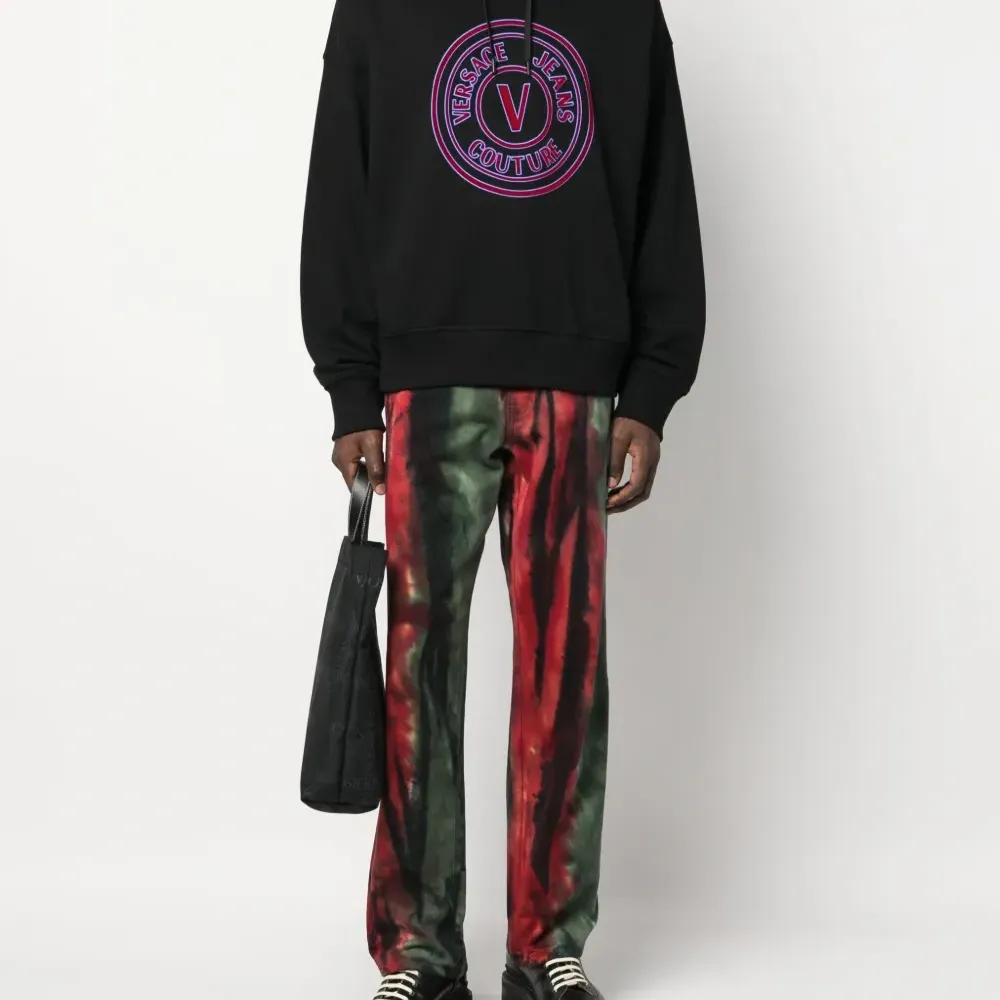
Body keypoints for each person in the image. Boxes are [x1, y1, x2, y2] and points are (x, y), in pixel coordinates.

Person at [300, 0, 705, 996]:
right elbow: (340, 191)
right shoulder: (376, 8)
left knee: (566, 671)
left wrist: (650, 392)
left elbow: (663, 199)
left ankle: (545, 945)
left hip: (576, 384)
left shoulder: (623, 10)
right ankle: (420, 952)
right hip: (425, 382)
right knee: (417, 676)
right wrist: (350, 384)